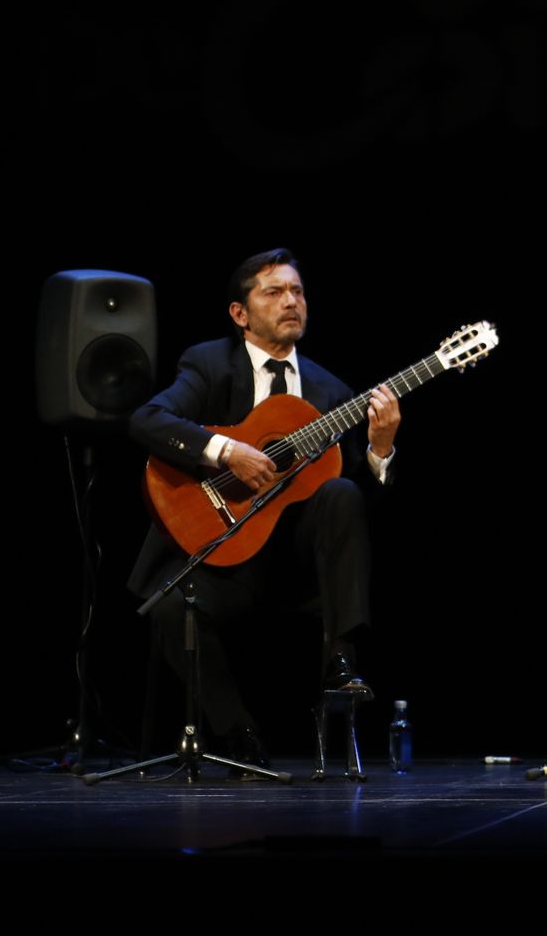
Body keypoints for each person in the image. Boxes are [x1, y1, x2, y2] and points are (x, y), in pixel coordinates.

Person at [125, 248, 398, 764]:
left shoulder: (332, 392)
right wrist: (227, 450)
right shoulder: (208, 364)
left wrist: (379, 450)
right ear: (240, 313)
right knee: (170, 609)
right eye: (274, 292)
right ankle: (239, 737)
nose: (291, 301)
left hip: (297, 568)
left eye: (297, 291)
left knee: (341, 492)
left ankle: (340, 662)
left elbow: (359, 508)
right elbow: (148, 420)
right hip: (227, 558)